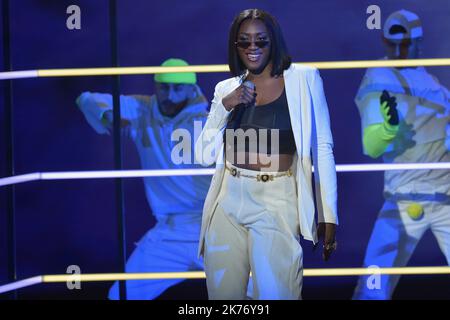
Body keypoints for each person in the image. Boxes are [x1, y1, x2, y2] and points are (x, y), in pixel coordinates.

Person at [194, 9, 339, 300]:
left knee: (277, 293)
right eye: (244, 42)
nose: (253, 48)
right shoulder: (227, 88)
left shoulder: (304, 79)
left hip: (276, 200)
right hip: (228, 199)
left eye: (260, 41)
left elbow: (322, 146)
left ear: (274, 41)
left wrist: (329, 214)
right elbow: (202, 155)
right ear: (235, 46)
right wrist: (225, 105)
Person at [76, 58, 213, 299]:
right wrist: (108, 116)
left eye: (178, 88)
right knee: (122, 295)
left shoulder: (211, 122)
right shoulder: (142, 110)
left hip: (217, 230)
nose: (169, 95)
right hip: (170, 234)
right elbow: (86, 99)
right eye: (164, 87)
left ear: (192, 89)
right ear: (155, 87)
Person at [353, 10, 450, 300]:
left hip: (445, 197)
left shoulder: (431, 81)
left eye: (405, 43)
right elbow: (372, 145)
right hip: (405, 199)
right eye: (390, 43)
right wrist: (388, 128)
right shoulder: (379, 78)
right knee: (373, 289)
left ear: (418, 42)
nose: (397, 51)